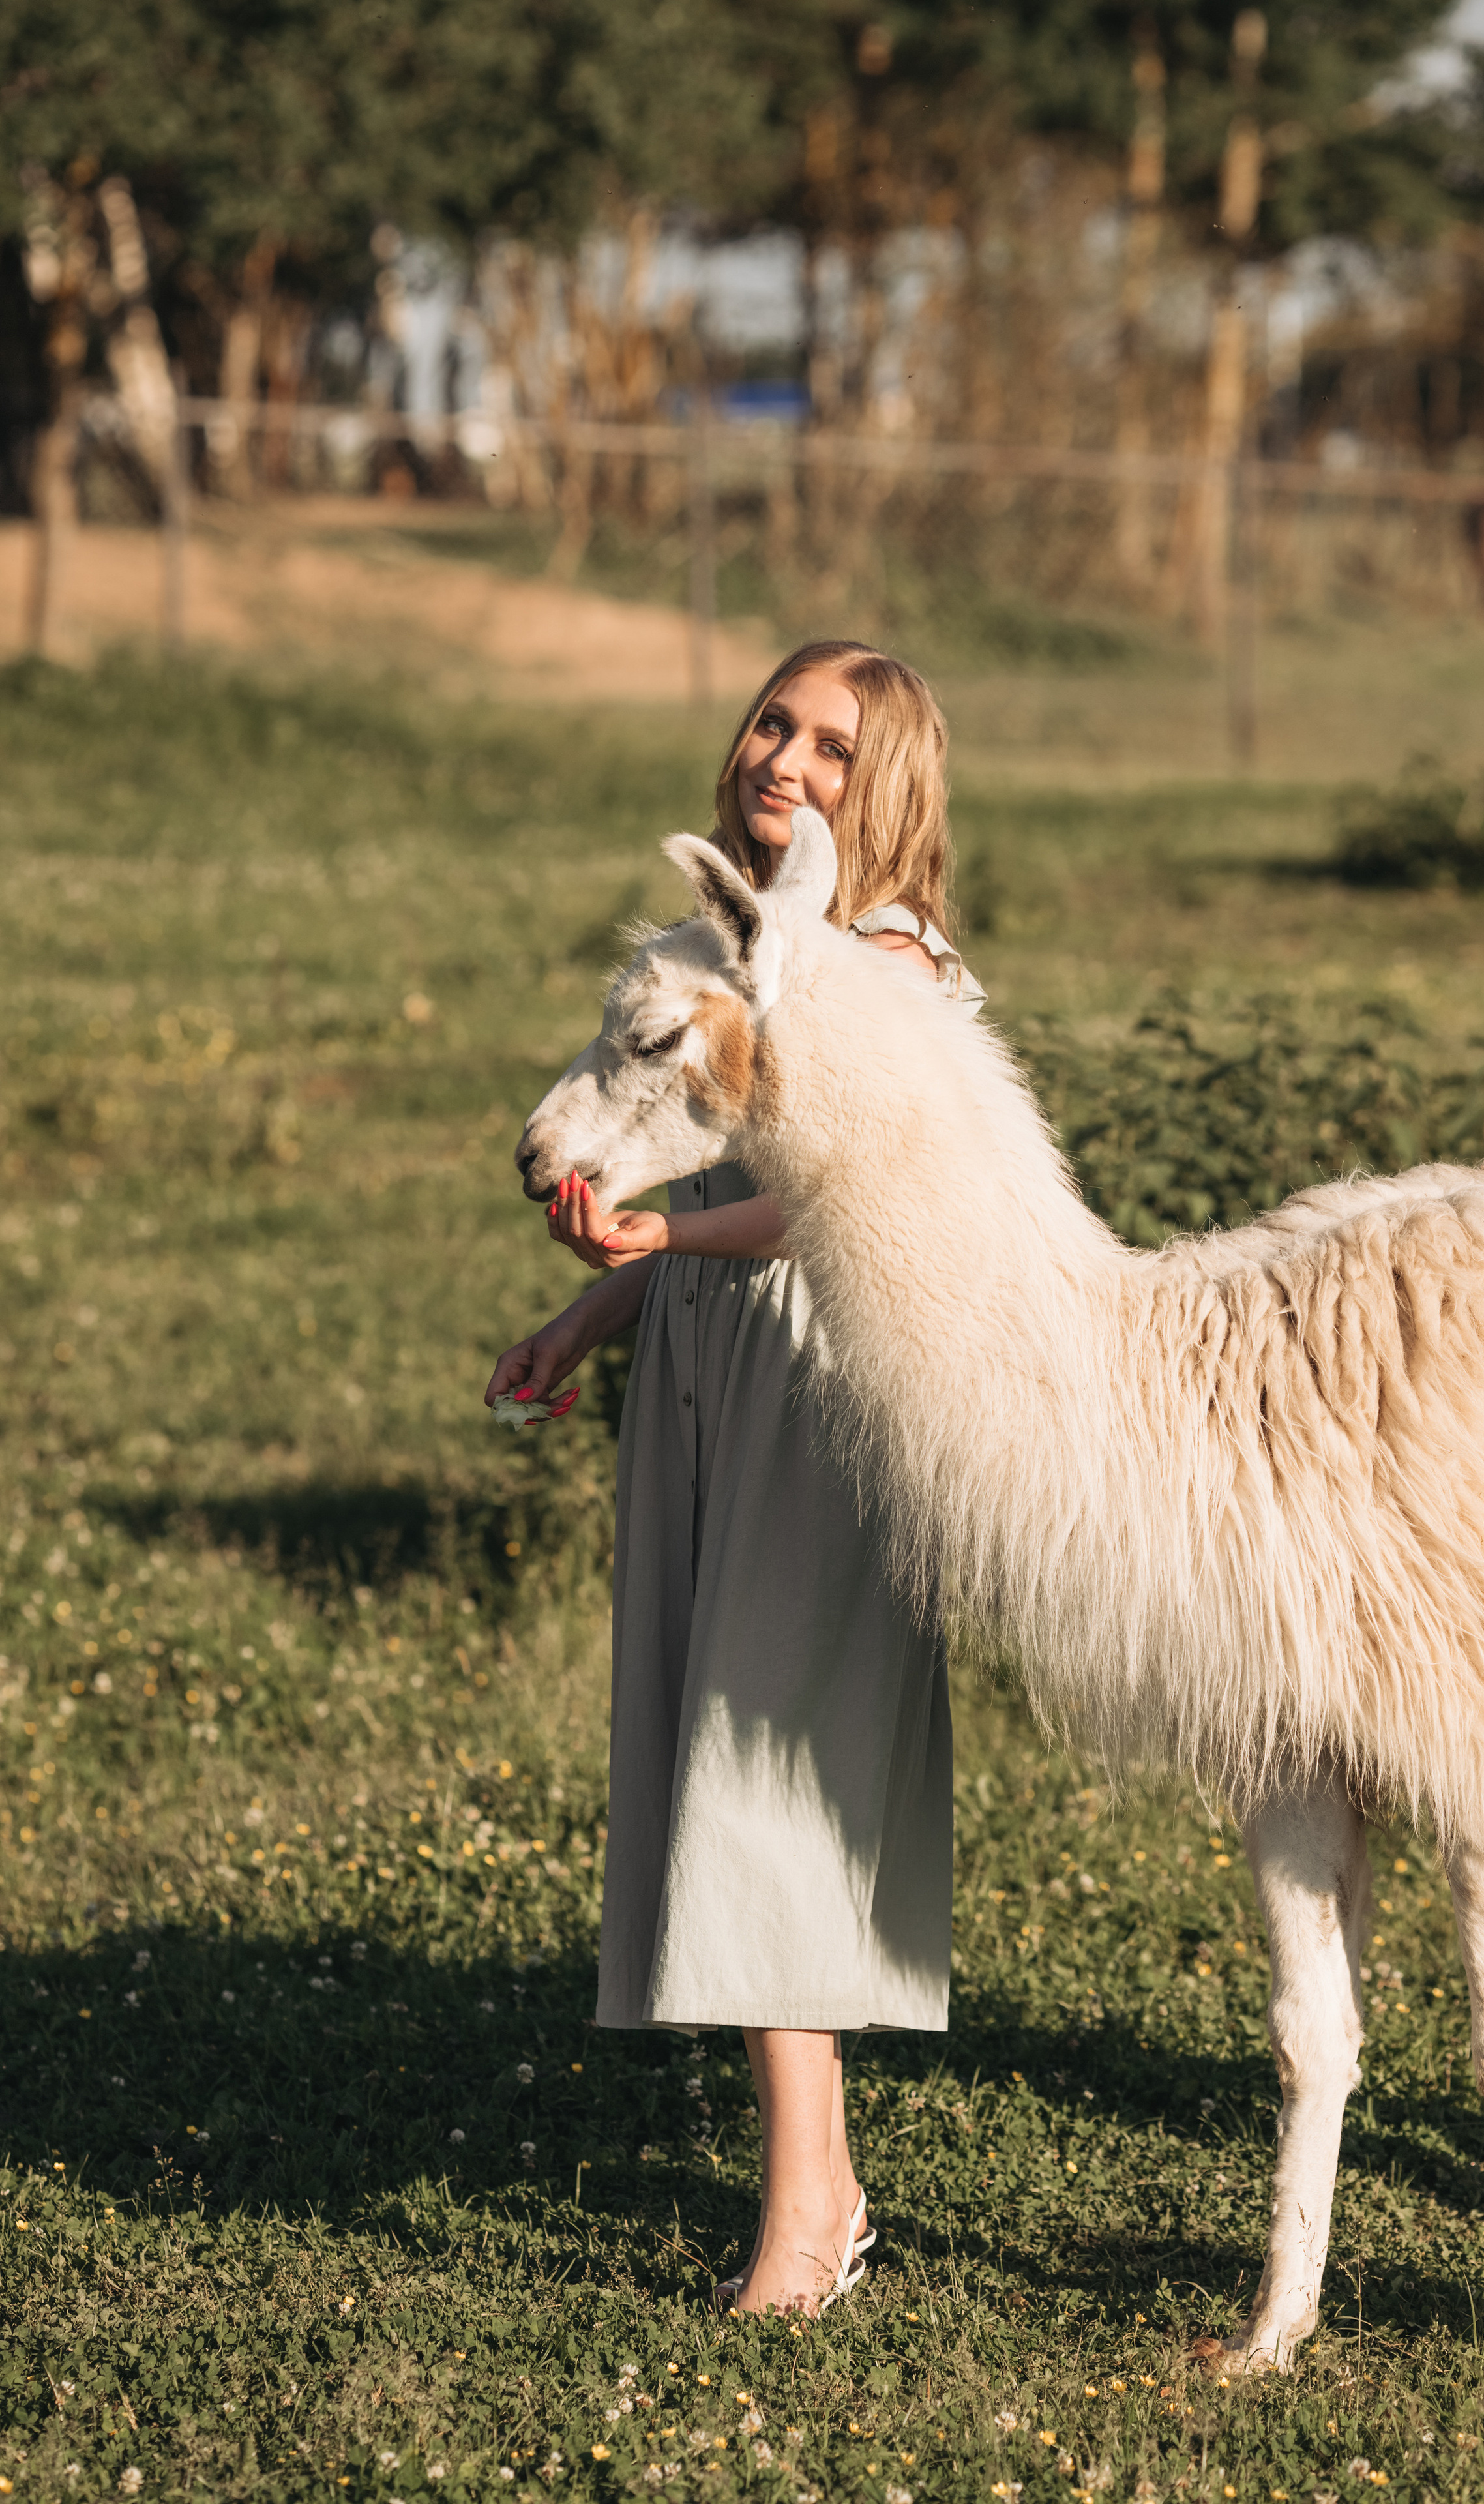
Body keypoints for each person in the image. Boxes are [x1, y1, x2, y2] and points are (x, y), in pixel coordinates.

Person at [484, 641, 981, 2317]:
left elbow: (830, 1190)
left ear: (885, 787)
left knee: (777, 1754)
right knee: (717, 1744)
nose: (786, 758)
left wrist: (672, 1239)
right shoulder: (715, 952)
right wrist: (591, 1305)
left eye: (833, 747)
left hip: (826, 1382)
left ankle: (805, 2217)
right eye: (775, 721)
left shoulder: (886, 973)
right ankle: (818, 2184)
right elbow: (681, 1163)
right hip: (709, 1363)